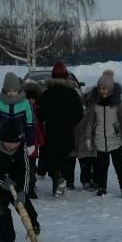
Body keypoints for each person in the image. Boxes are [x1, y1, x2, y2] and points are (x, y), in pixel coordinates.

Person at [34, 60, 84, 198]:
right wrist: (70, 122)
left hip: (51, 132)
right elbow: (79, 114)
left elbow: (40, 114)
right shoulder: (73, 94)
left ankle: (57, 180)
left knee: (51, 159)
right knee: (63, 158)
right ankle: (59, 182)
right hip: (68, 132)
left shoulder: (47, 94)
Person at [77, 71, 122, 196]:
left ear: (111, 89)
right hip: (100, 139)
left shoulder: (118, 104)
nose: (102, 91)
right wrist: (89, 138)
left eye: (105, 88)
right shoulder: (95, 104)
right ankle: (102, 187)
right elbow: (90, 122)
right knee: (101, 167)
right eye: (100, 88)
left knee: (119, 166)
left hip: (115, 140)